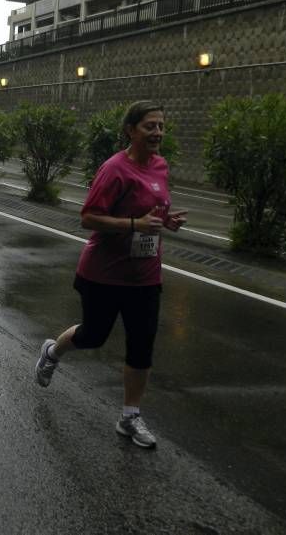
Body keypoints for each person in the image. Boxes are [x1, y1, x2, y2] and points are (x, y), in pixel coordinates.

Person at [34, 100, 187, 449]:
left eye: (161, 126)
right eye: (150, 126)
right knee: (93, 336)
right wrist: (133, 224)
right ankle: (52, 353)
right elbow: (88, 217)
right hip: (103, 273)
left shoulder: (161, 166)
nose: (158, 133)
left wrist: (166, 222)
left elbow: (153, 213)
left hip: (145, 274)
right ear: (130, 130)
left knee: (142, 345)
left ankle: (129, 416)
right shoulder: (114, 169)